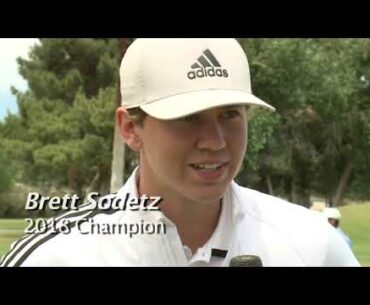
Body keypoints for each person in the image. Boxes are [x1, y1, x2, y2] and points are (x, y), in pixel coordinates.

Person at [0, 39, 360, 266]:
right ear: (130, 128)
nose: (215, 140)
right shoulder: (56, 256)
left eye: (230, 114)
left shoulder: (312, 246)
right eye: (188, 117)